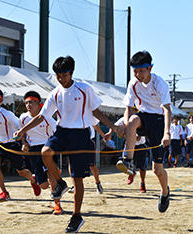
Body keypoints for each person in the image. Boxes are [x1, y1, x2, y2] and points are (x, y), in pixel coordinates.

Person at [14, 56, 118, 233]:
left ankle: (76, 217)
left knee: (77, 178)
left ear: (71, 73)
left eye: (64, 75)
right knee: (46, 152)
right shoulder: (55, 93)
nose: (61, 79)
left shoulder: (84, 89)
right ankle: (60, 184)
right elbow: (42, 116)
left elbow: (96, 111)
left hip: (81, 134)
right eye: (58, 76)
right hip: (62, 132)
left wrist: (112, 126)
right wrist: (23, 130)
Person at [115, 51, 171, 213]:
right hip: (143, 116)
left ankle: (165, 192)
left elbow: (167, 110)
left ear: (150, 68)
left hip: (159, 121)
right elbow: (128, 108)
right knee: (132, 121)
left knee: (157, 170)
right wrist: (125, 126)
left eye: (141, 71)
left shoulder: (159, 83)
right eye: (135, 71)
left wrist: (167, 133)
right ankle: (128, 161)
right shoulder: (133, 84)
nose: (138, 74)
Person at [0, 88, 41, 202]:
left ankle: (33, 179)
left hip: (11, 145)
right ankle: (4, 192)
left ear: (1, 101)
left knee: (21, 172)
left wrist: (24, 142)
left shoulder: (7, 114)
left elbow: (21, 128)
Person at [20, 91, 63, 215]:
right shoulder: (23, 118)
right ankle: (34, 180)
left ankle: (57, 205)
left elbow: (57, 133)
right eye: (26, 103)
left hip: (47, 147)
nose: (29, 105)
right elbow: (21, 134)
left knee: (52, 176)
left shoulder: (47, 118)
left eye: (32, 102)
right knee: (44, 185)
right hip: (33, 150)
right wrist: (24, 143)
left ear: (40, 104)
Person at [106, 107, 148, 192]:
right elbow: (115, 126)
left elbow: (146, 130)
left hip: (140, 145)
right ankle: (131, 173)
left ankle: (142, 182)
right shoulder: (125, 119)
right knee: (125, 162)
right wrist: (109, 133)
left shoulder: (141, 118)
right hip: (129, 146)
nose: (131, 111)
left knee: (142, 167)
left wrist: (141, 135)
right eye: (130, 109)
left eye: (133, 109)